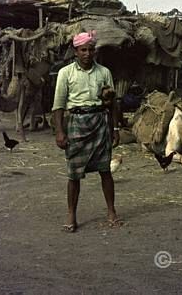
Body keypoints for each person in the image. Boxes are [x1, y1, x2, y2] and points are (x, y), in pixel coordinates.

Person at [52, 30, 121, 233]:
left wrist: (115, 128)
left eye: (91, 50)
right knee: (73, 174)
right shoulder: (66, 73)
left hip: (100, 122)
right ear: (75, 51)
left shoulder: (104, 72)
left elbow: (113, 103)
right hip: (76, 123)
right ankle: (71, 214)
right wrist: (59, 132)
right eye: (83, 50)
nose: (88, 54)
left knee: (105, 171)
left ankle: (111, 211)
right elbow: (58, 105)